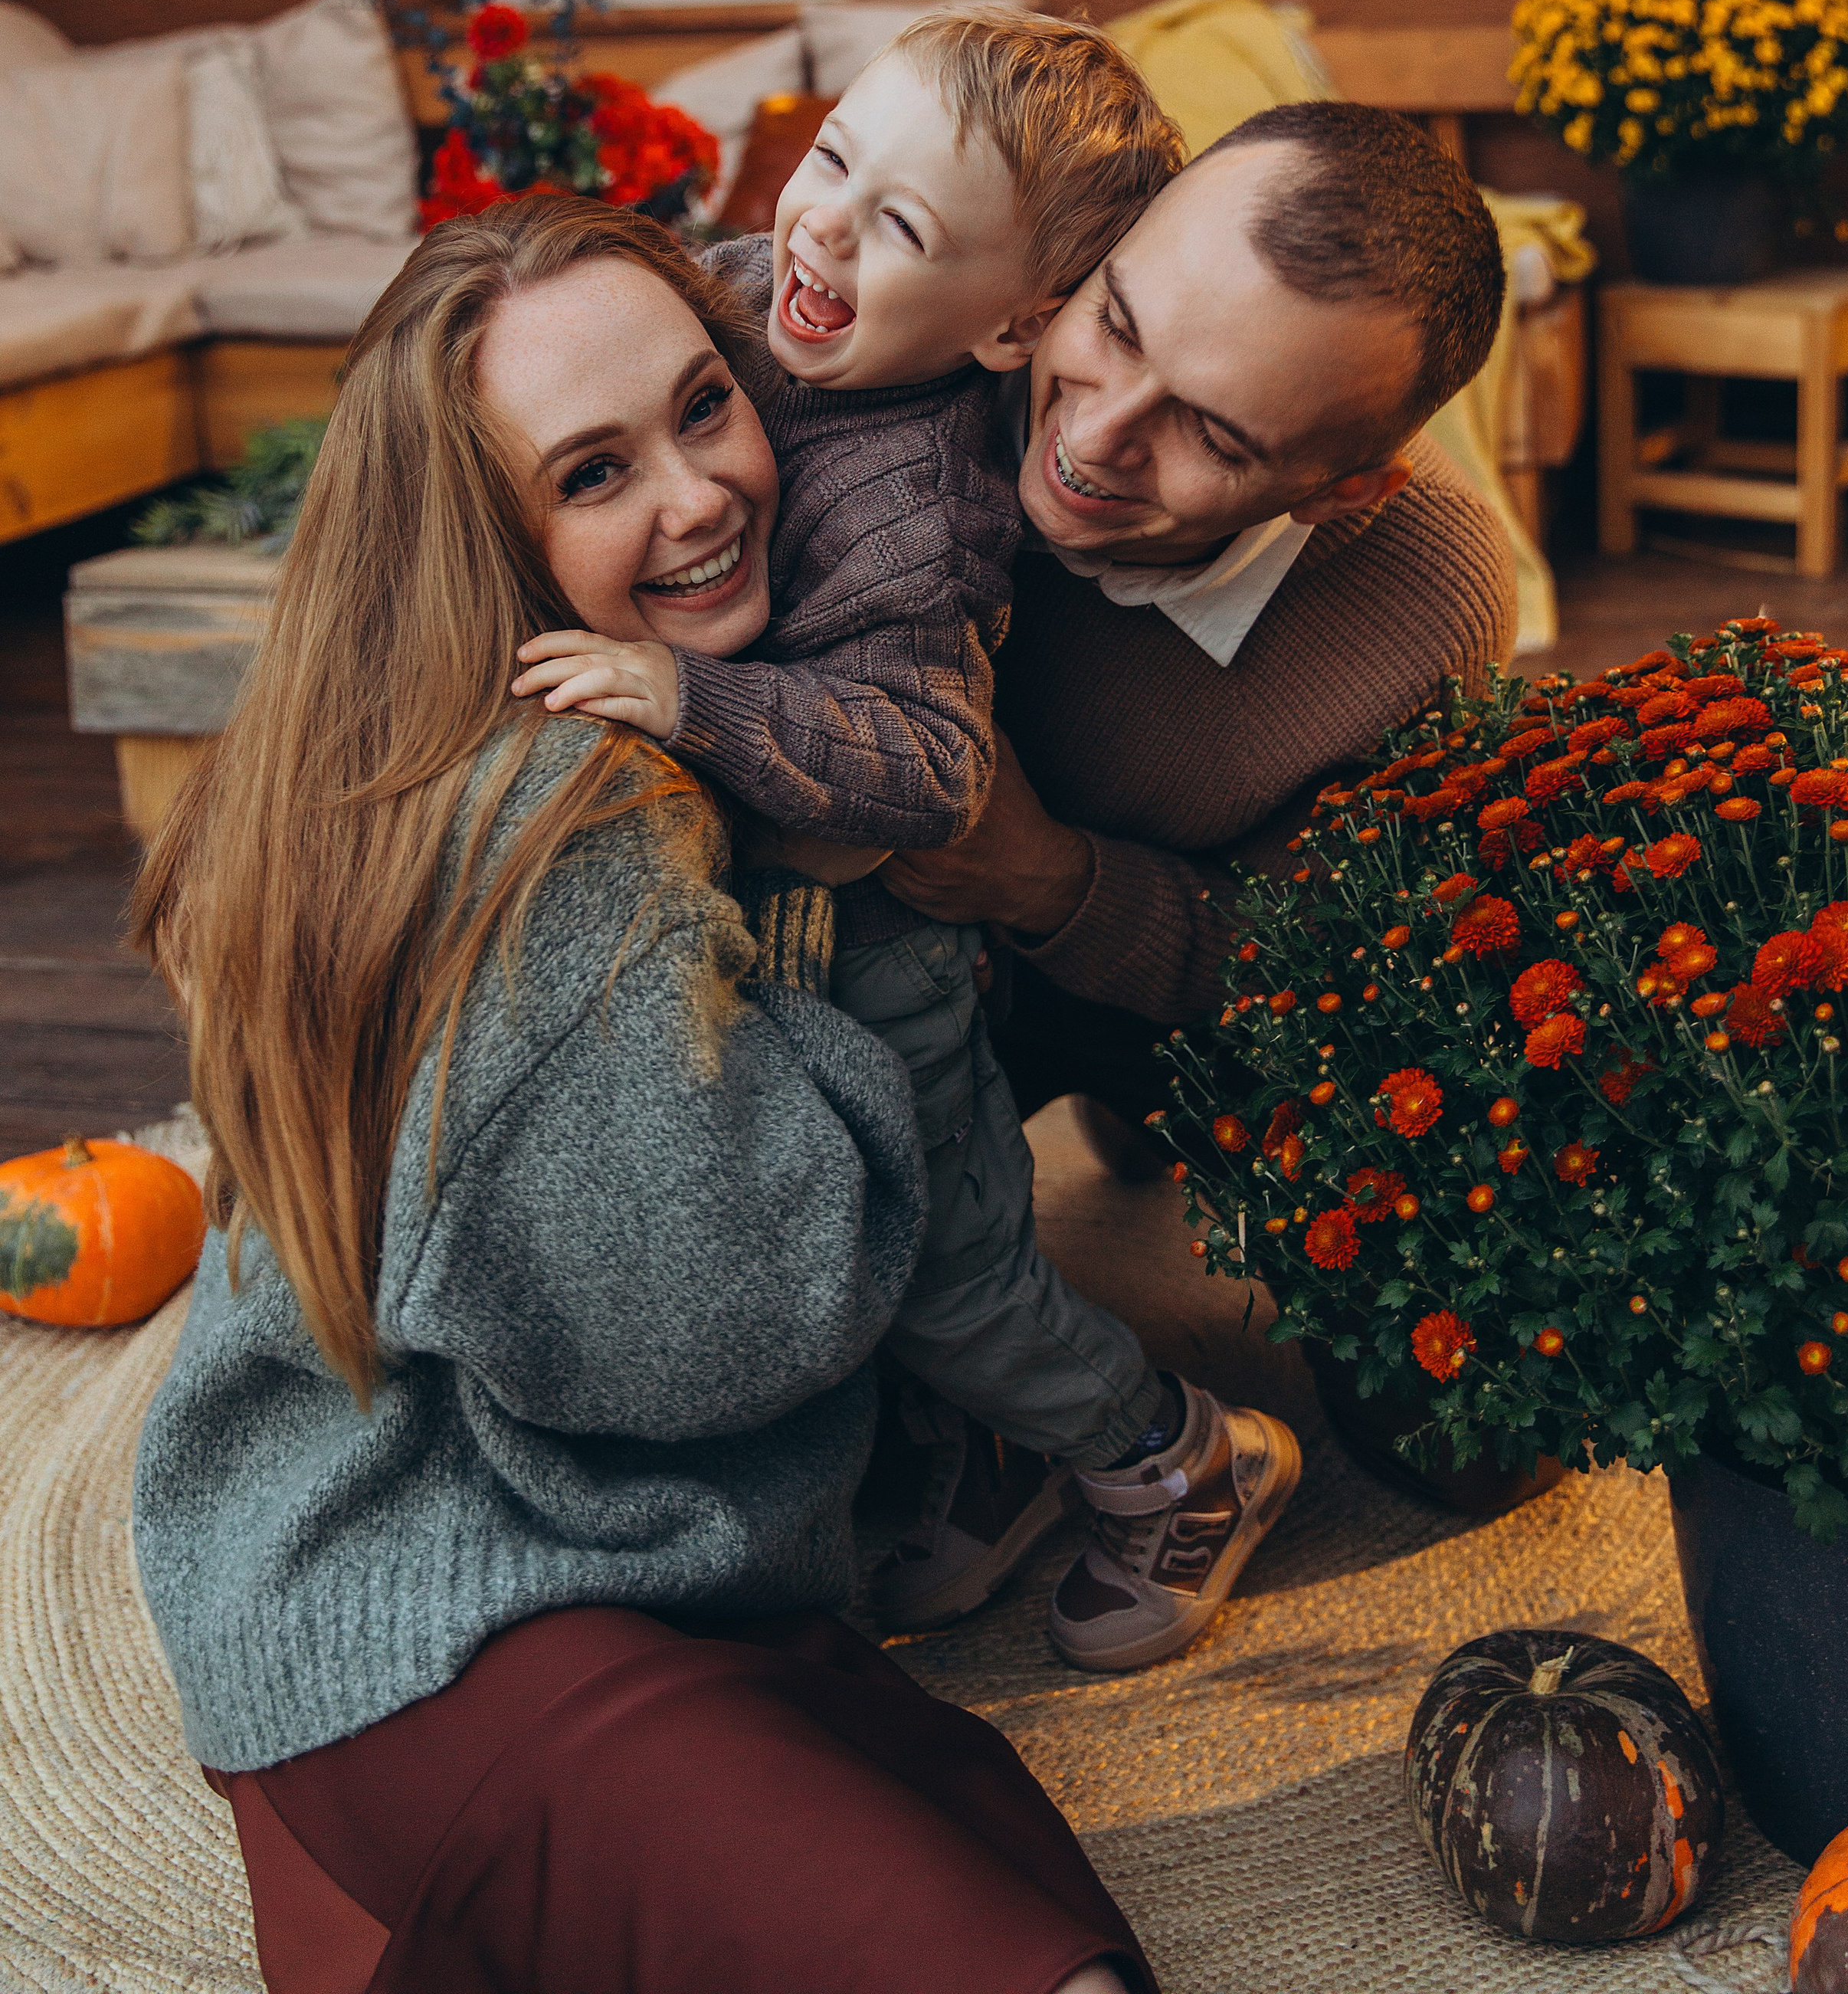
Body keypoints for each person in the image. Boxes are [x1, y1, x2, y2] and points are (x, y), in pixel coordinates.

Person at [129, 193, 1148, 1994]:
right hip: (459, 1610)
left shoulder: (445, 738)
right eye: (591, 475)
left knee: (1004, 1876)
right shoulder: (574, 819)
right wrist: (840, 986)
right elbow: (720, 1330)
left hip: (507, 1559)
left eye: (702, 405)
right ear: (485, 545)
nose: (697, 495)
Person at [511, 12, 1302, 1670]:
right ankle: (982, 1459)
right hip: (749, 925)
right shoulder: (735, 294)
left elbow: (931, 769)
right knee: (795, 1250)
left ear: (1018, 325)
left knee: (941, 1274)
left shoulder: (917, 506)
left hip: (885, 966)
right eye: (829, 162)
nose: (817, 227)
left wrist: (685, 699)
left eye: (898, 231)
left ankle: (1172, 1457)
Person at [884, 101, 1517, 1649]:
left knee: (1475, 1447)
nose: (1093, 436)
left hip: (1176, 963)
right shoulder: (957, 344)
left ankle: (1131, 1115)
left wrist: (1043, 882)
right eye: (1114, 325)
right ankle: (976, 1402)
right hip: (895, 965)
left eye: (1212, 434)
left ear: (1339, 488)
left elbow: (1319, 973)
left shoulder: (1418, 590)